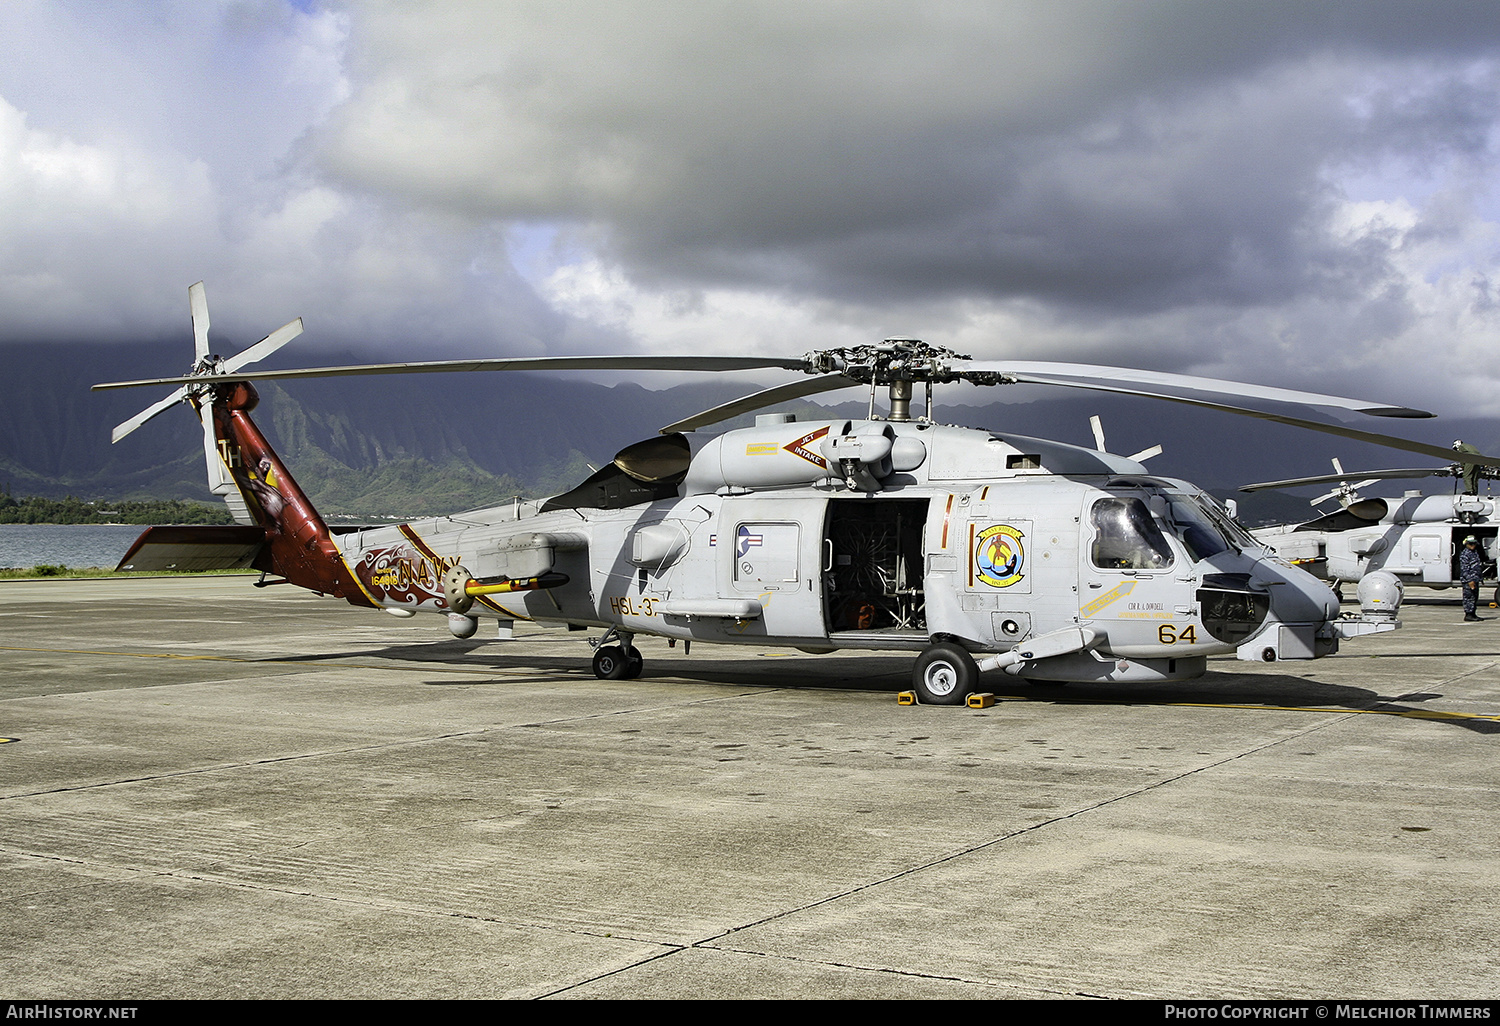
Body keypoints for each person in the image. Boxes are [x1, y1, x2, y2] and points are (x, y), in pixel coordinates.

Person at [1459, 534, 1484, 621]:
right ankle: (1468, 614)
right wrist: (1469, 580)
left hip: (1475, 578)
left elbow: (1476, 566)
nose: (1473, 545)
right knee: (1469, 597)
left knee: (1474, 597)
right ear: (1466, 544)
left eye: (1474, 544)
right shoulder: (1465, 554)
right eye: (1470, 544)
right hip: (1468, 580)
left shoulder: (1474, 553)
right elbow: (1464, 569)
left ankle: (1473, 613)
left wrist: (1480, 577)